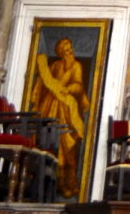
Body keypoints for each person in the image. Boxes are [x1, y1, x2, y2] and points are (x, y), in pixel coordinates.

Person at [30, 37, 89, 197]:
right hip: (50, 107)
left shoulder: (76, 66)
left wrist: (69, 89)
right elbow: (44, 83)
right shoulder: (55, 65)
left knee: (67, 148)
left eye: (71, 49)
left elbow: (78, 85)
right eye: (67, 50)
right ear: (61, 53)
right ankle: (41, 186)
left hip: (66, 110)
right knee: (45, 143)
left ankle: (66, 185)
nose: (71, 52)